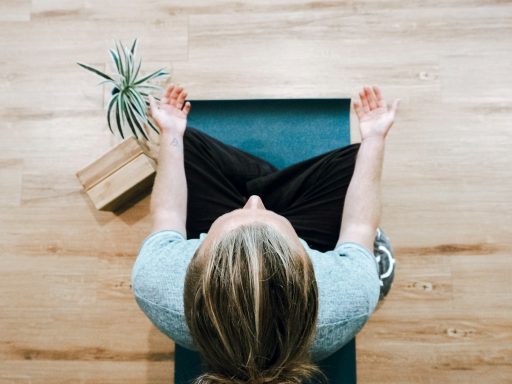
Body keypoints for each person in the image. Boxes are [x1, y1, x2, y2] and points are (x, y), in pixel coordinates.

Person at [131, 83, 399, 383]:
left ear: (192, 264)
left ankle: (263, 177)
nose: (255, 203)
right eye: (267, 215)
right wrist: (375, 138)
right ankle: (272, 180)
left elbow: (168, 214)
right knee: (354, 162)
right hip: (317, 233)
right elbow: (359, 227)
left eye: (245, 211)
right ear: (310, 269)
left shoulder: (155, 283)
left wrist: (170, 133)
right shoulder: (348, 297)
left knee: (187, 144)